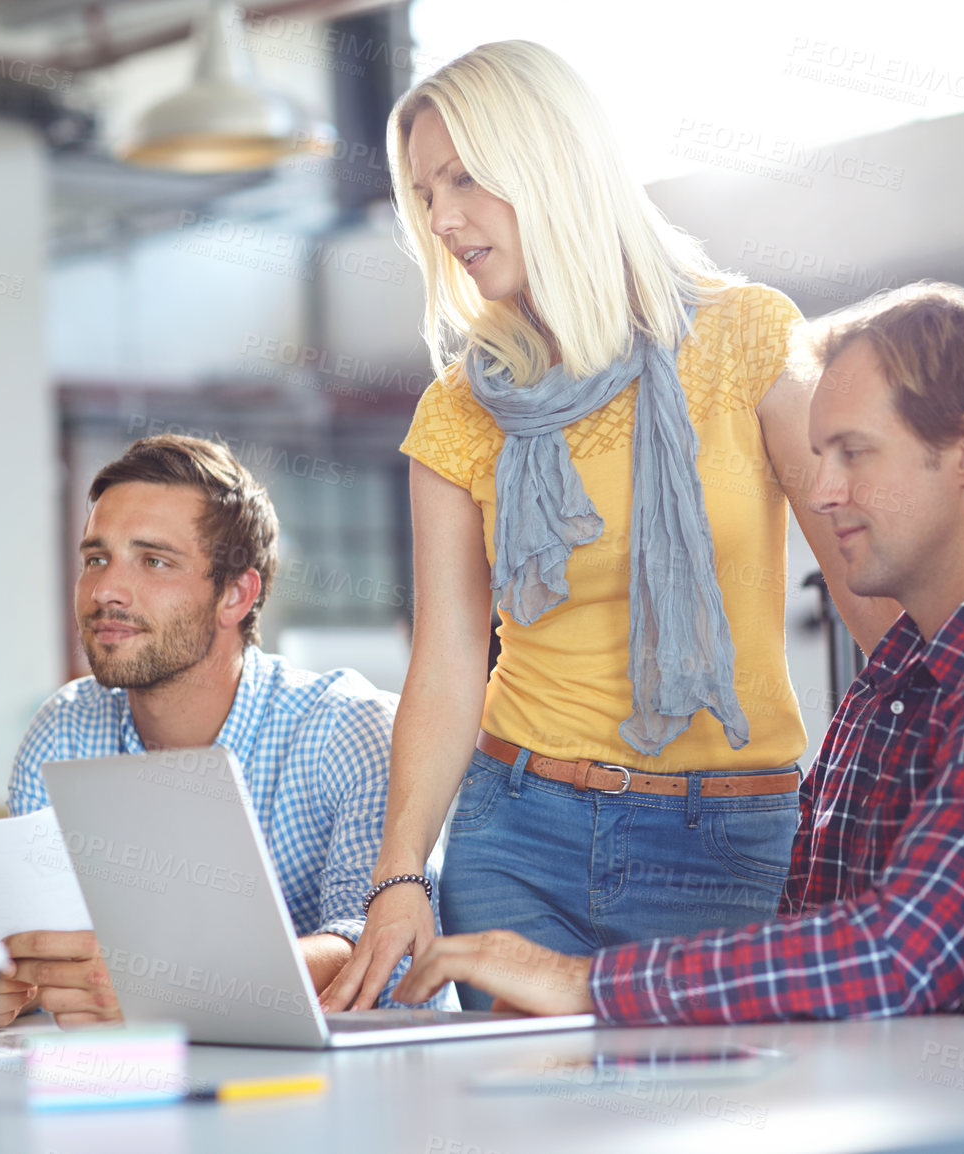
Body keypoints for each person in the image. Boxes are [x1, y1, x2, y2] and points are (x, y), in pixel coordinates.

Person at [389, 284, 964, 1021]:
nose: (818, 491)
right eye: (821, 454)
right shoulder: (891, 687)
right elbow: (808, 952)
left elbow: (891, 958)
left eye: (854, 453)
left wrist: (585, 984)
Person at [322, 41, 900, 1013]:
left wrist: (957, 759)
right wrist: (398, 877)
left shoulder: (747, 336)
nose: (442, 218)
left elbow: (866, 577)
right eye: (425, 193)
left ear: (551, 158)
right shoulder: (462, 409)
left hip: (732, 840)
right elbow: (452, 653)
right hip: (521, 833)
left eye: (464, 177)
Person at [0, 435, 440, 1027]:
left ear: (236, 595)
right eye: (96, 559)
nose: (106, 591)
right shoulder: (63, 731)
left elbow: (375, 952)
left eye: (153, 561)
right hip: (141, 1088)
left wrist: (163, 989)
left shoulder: (347, 728)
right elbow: (11, 928)